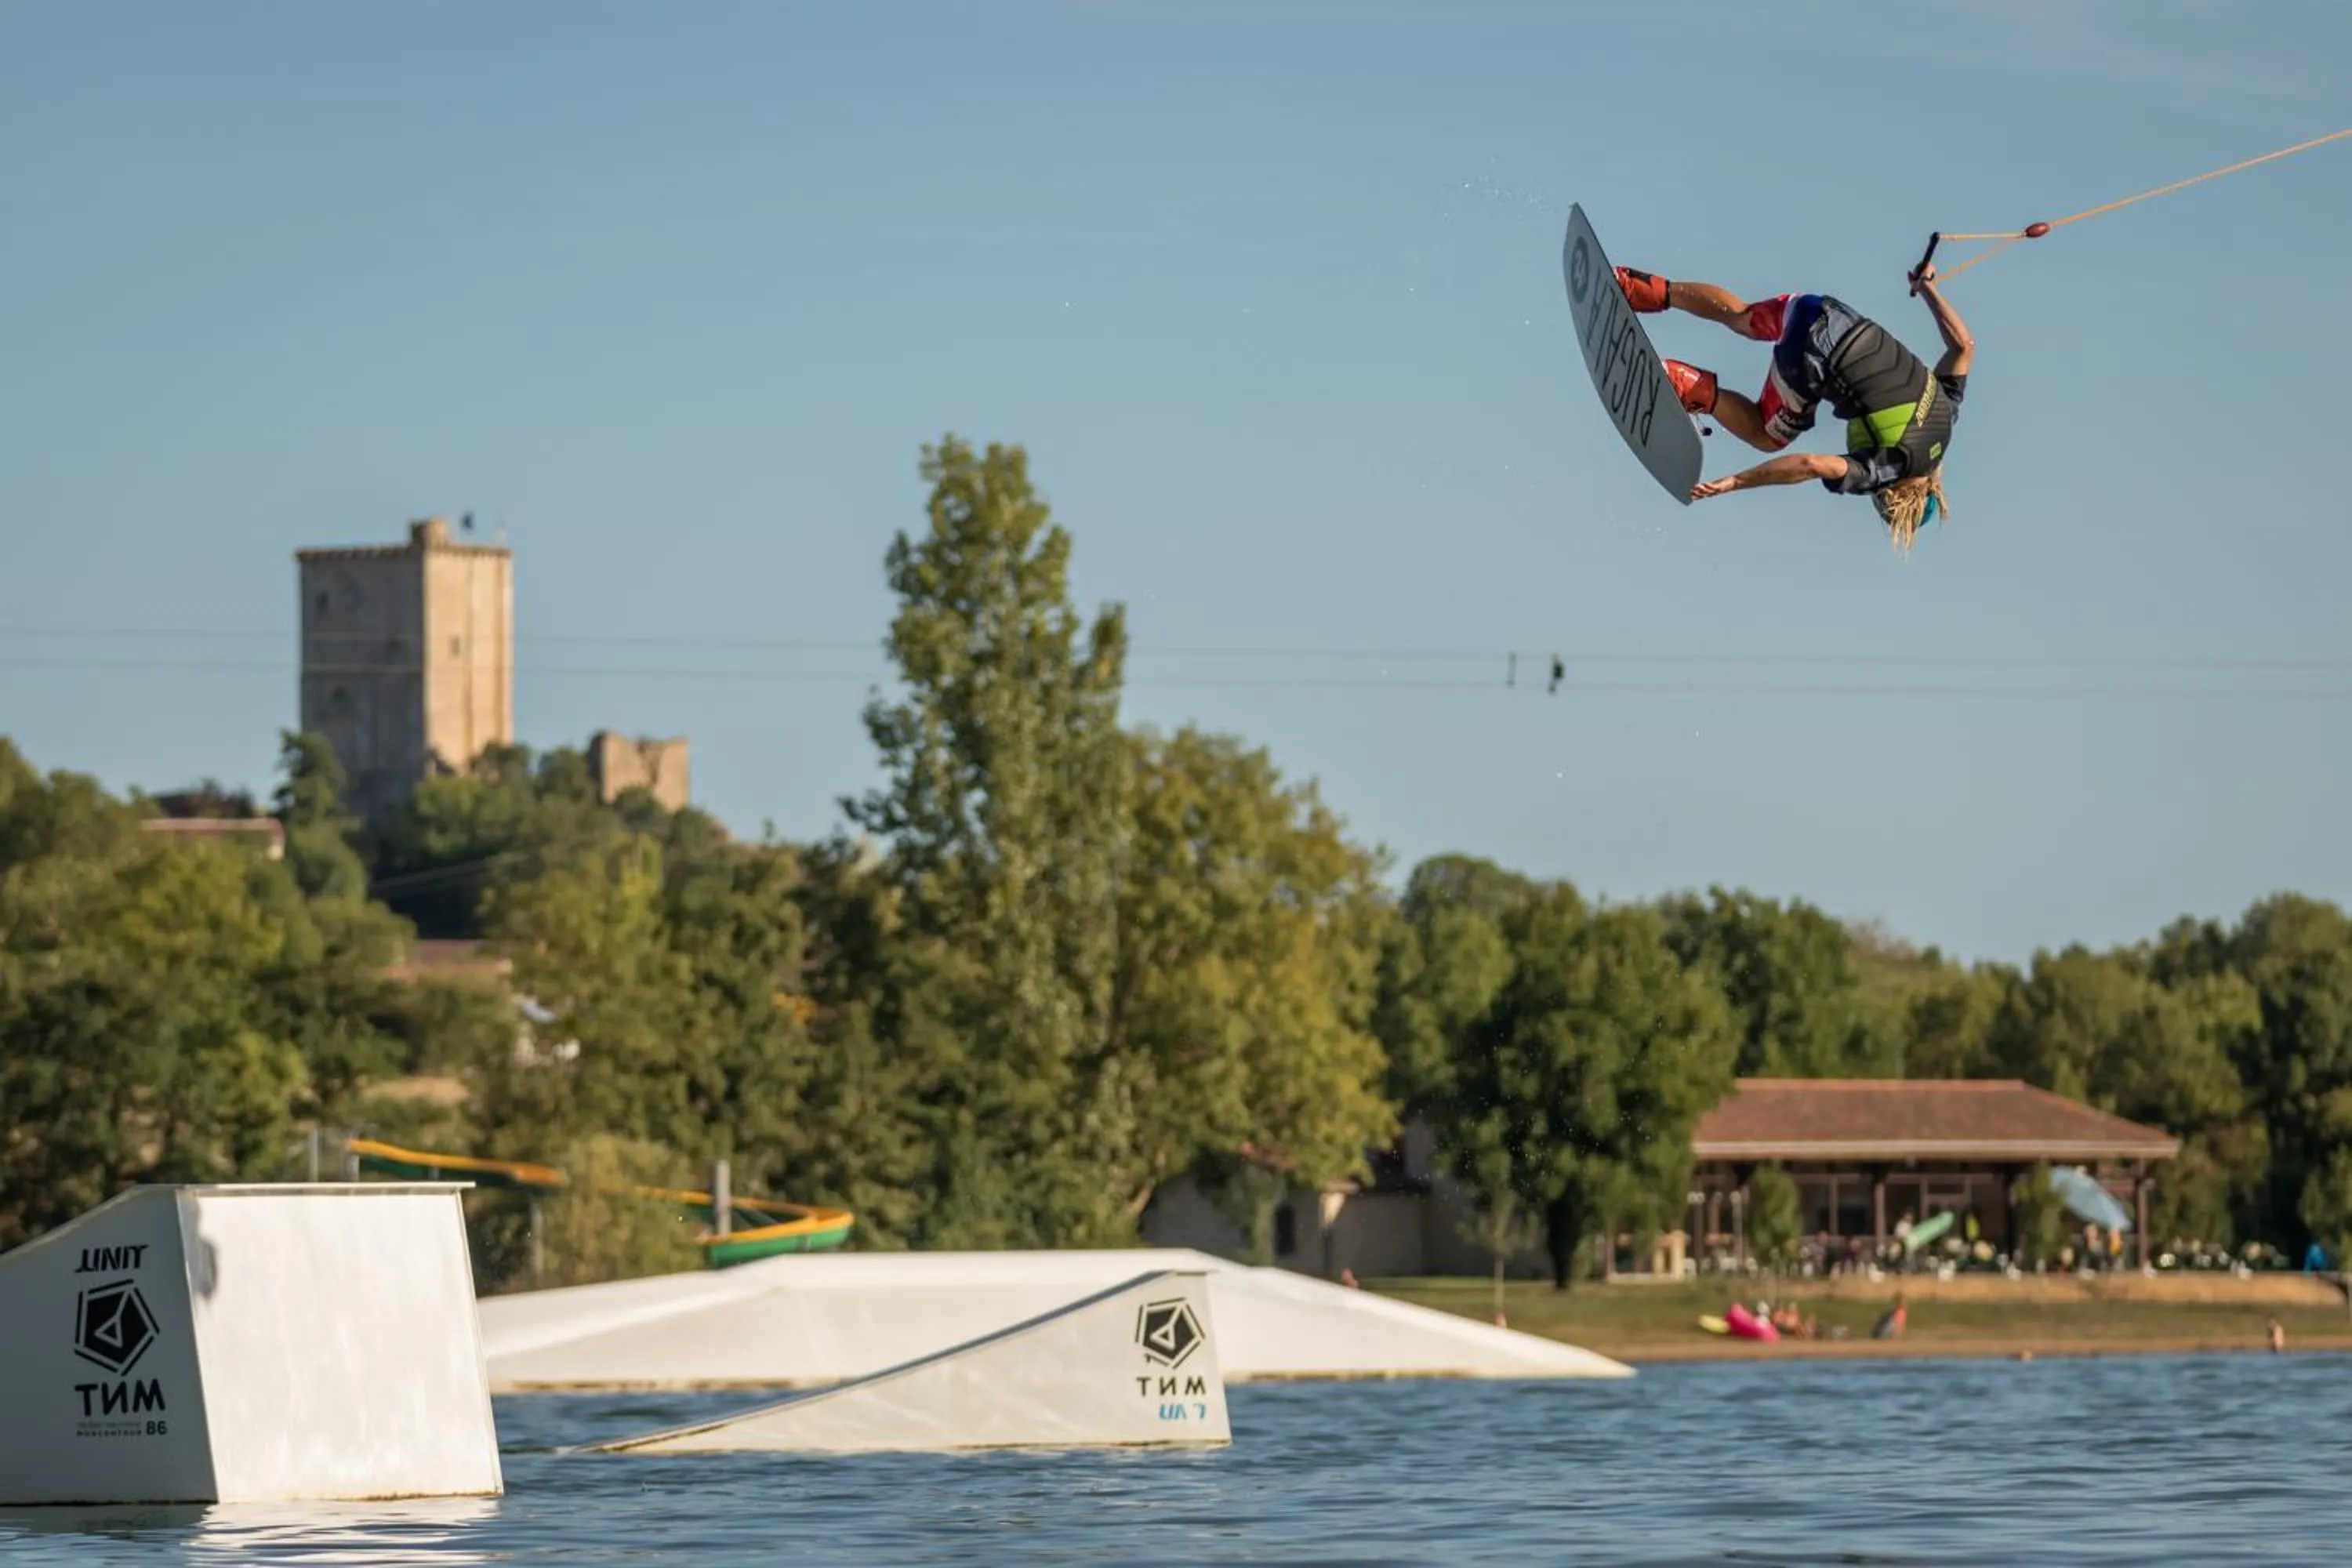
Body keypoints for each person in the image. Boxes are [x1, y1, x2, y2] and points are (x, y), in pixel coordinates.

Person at [1611, 260, 1975, 550]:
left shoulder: (1947, 412)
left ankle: (1641, 288)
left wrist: (1928, 288)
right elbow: (1811, 464)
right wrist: (1738, 481)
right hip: (1813, 357)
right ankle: (1686, 383)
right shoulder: (1891, 469)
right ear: (1900, 498)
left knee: (1742, 317)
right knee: (1766, 435)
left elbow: (1963, 347)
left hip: (1824, 311)